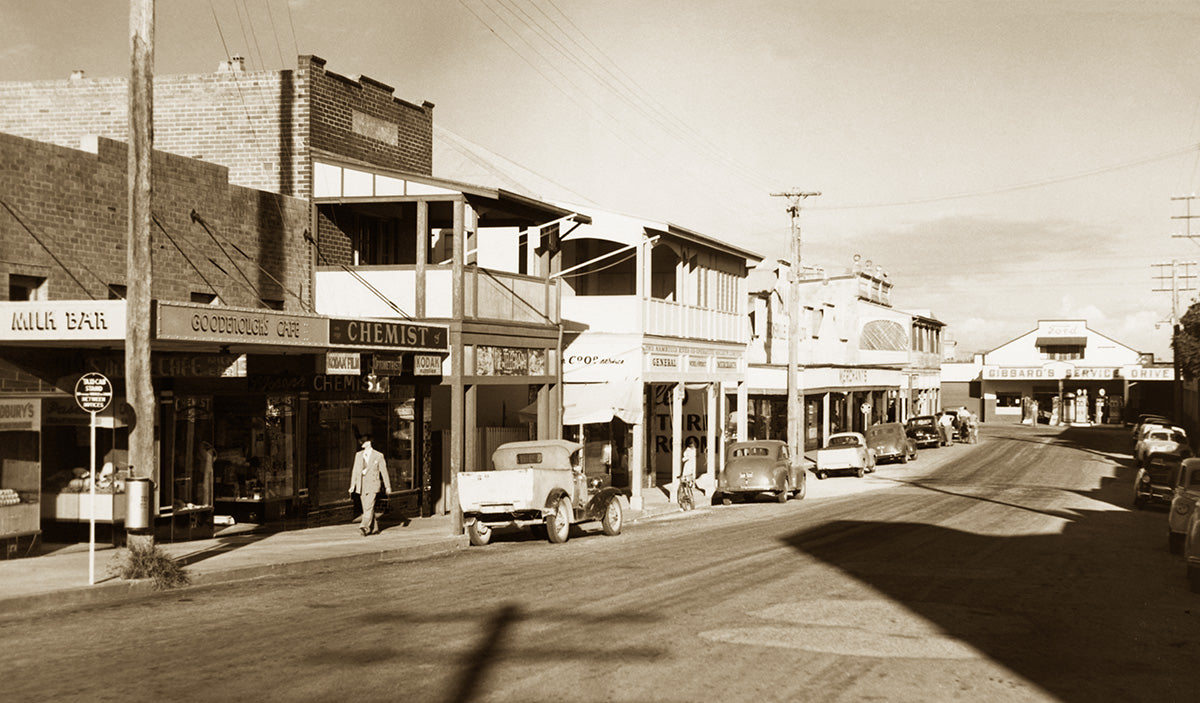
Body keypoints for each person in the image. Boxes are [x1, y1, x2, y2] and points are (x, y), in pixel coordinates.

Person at [348, 435, 391, 536]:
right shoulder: (358, 455)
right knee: (367, 507)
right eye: (361, 441)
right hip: (361, 485)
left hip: (373, 484)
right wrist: (352, 485)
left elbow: (384, 472)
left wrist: (388, 486)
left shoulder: (378, 455)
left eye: (363, 441)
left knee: (369, 506)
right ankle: (375, 528)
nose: (361, 443)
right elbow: (355, 471)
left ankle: (363, 526)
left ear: (369, 443)